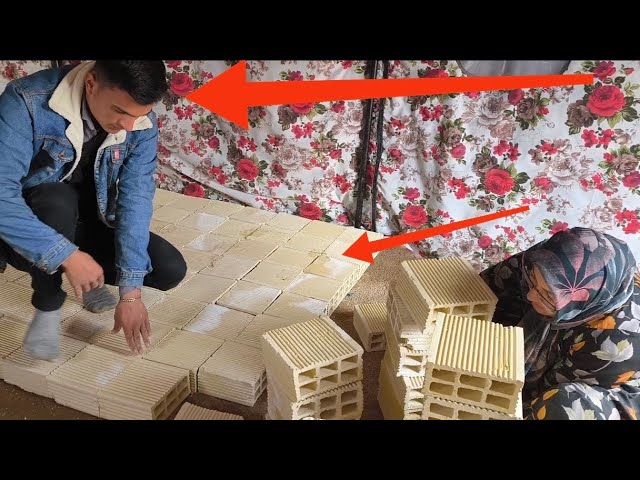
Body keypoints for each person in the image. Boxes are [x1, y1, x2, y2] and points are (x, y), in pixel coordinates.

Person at [0, 60, 187, 360]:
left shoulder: (139, 123)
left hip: (86, 219)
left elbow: (134, 201)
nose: (129, 125)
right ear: (91, 84)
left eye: (138, 115)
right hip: (26, 229)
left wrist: (131, 293)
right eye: (121, 111)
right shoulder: (25, 101)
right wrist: (67, 256)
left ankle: (87, 277)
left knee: (169, 269)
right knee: (56, 199)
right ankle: (48, 303)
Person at [479, 227, 640, 420]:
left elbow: (535, 394)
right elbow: (486, 290)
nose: (531, 295)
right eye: (534, 282)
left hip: (609, 387)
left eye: (547, 295)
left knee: (562, 405)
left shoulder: (613, 343)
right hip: (569, 317)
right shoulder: (553, 260)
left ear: (581, 302)